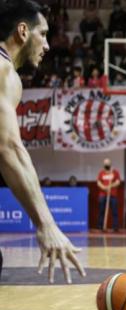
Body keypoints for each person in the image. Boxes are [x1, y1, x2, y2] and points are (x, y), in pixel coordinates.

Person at [0, 0, 85, 285]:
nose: (48, 45)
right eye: (43, 34)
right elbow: (9, 148)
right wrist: (46, 224)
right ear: (23, 31)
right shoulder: (3, 70)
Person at [96, 158, 120, 232]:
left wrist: (111, 186)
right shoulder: (101, 173)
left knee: (114, 211)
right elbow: (98, 182)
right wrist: (104, 188)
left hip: (112, 194)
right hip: (103, 194)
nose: (106, 165)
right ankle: (100, 227)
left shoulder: (115, 172)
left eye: (108, 163)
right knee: (101, 210)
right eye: (105, 163)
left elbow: (118, 182)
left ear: (110, 164)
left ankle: (115, 227)